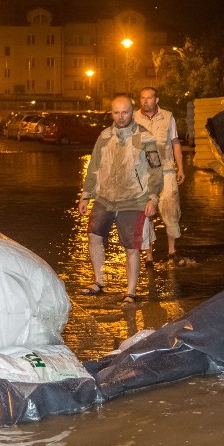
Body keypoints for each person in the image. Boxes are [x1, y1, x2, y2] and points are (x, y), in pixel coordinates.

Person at [78, 95, 163, 307]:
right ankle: (99, 282)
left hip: (134, 201)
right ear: (111, 113)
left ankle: (130, 292)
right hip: (105, 199)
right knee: (93, 236)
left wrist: (153, 198)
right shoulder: (104, 136)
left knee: (131, 247)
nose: (120, 116)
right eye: (116, 112)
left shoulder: (145, 137)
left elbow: (155, 171)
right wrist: (86, 195)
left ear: (132, 112)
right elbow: (94, 167)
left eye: (124, 112)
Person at [133, 87, 185, 266]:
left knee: (170, 207)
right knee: (145, 213)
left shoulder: (168, 117)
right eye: (142, 98)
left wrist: (181, 168)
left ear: (156, 100)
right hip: (143, 173)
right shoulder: (133, 118)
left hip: (166, 169)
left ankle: (172, 250)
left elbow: (175, 142)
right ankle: (149, 255)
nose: (145, 101)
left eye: (149, 98)